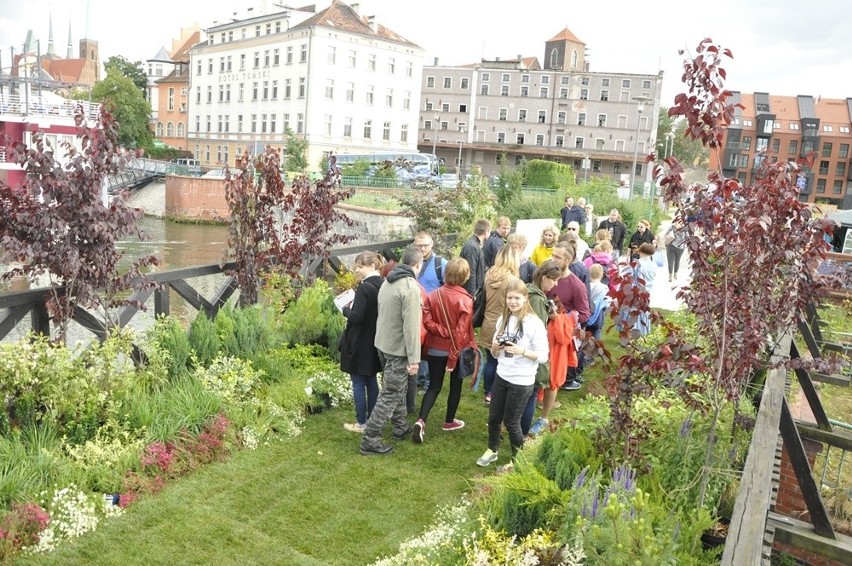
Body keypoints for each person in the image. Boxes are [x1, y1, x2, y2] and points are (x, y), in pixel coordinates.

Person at [476, 279, 549, 468]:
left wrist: (521, 351)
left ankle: (517, 460)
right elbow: (494, 352)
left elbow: (543, 356)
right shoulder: (503, 319)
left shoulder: (534, 323)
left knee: (511, 422)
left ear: (525, 299)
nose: (513, 302)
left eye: (517, 298)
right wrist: (495, 347)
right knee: (493, 417)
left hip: (522, 380)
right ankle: (492, 450)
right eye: (510, 298)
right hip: (502, 375)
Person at [360, 246, 423, 456]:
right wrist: (414, 359)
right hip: (398, 349)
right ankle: (370, 438)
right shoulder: (410, 288)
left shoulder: (388, 281)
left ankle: (399, 426)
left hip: (383, 345)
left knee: (397, 389)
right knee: (390, 394)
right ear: (417, 265)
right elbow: (411, 327)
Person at [413, 258, 477, 443]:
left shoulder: (433, 295)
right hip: (456, 350)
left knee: (434, 386)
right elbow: (460, 332)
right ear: (465, 276)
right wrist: (453, 357)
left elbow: (427, 321)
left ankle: (421, 420)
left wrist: (441, 331)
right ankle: (449, 421)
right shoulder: (465, 300)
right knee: (455, 387)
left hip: (435, 349)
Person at [340, 252, 384, 433]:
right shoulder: (382, 283)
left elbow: (357, 317)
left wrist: (344, 310)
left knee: (358, 381)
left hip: (360, 341)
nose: (356, 270)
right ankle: (373, 420)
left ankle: (361, 422)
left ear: (372, 266)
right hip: (375, 339)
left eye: (360, 266)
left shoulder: (365, 287)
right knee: (371, 379)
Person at [477, 245, 521, 404]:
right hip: (504, 324)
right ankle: (494, 392)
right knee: (502, 361)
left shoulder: (489, 275)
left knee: (491, 359)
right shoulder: (513, 281)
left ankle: (487, 390)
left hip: (488, 322)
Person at [521, 260, 560, 436]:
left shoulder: (528, 289)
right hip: (531, 353)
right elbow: (535, 327)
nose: (556, 284)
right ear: (544, 278)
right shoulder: (536, 298)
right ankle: (520, 434)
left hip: (523, 351)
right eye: (553, 280)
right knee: (530, 397)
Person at [548, 242, 590, 391]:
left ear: (568, 260)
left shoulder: (577, 285)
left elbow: (585, 314)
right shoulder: (547, 275)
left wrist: (564, 317)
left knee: (554, 371)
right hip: (542, 327)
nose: (553, 259)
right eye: (552, 255)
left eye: (557, 257)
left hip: (559, 333)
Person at [459, 219, 491, 298]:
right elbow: (471, 272)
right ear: (486, 232)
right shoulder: (472, 247)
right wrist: (472, 296)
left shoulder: (474, 244)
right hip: (470, 293)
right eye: (490, 231)